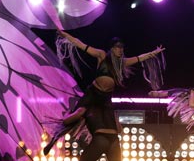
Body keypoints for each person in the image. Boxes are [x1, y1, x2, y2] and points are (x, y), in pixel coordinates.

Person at [44, 30, 165, 161]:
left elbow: (139, 58)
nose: (120, 50)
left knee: (111, 119)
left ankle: (98, 130)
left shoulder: (121, 63)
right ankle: (53, 141)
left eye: (122, 48)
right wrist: (65, 35)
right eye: (118, 47)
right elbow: (81, 45)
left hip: (106, 97)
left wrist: (154, 52)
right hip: (93, 93)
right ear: (112, 48)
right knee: (77, 113)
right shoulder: (102, 55)